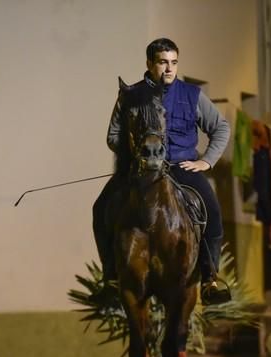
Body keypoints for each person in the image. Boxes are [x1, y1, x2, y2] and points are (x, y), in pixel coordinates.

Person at [93, 37, 231, 305]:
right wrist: (135, 152)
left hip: (181, 167)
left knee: (212, 211)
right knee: (100, 208)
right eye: (162, 62)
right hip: (141, 170)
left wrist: (207, 161)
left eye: (174, 63)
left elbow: (221, 127)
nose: (169, 69)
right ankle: (111, 278)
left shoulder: (192, 95)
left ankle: (210, 278)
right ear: (149, 63)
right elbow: (113, 135)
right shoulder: (131, 94)